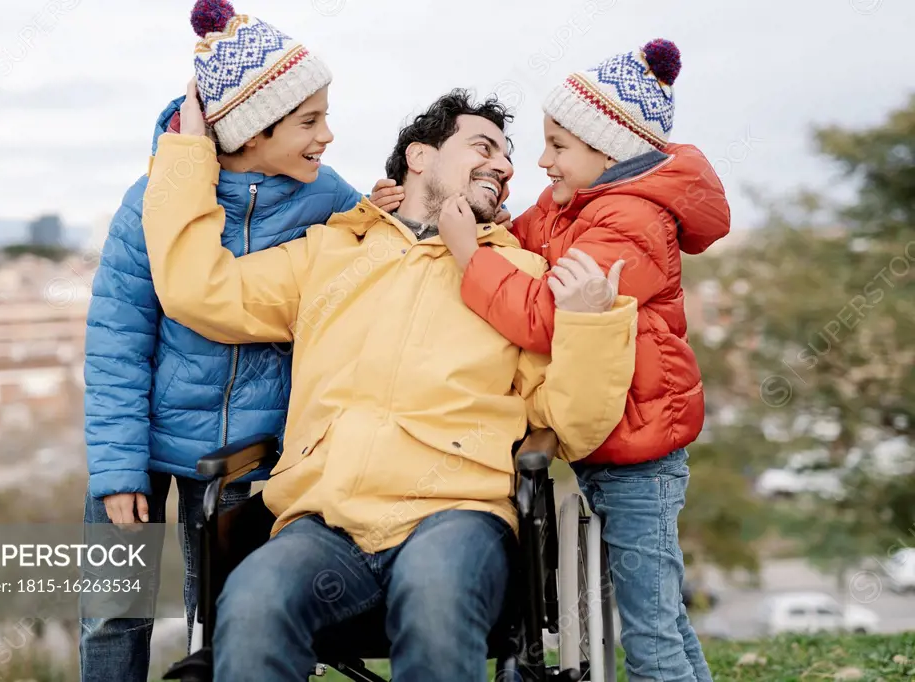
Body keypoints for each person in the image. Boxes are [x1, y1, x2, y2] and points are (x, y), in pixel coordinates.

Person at [140, 86, 638, 681]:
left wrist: (589, 324)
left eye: (508, 158)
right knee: (252, 603)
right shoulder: (329, 252)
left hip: (458, 514)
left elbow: (574, 426)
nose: (506, 167)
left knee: (434, 597)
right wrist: (188, 151)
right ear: (420, 157)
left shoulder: (520, 275)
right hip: (324, 520)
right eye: (484, 146)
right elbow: (198, 289)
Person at [375, 39, 731, 682]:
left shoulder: (632, 222)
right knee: (662, 618)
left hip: (642, 455)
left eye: (558, 146)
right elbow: (520, 239)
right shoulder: (580, 205)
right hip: (618, 444)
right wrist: (422, 210)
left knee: (649, 632)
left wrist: (466, 255)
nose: (541, 162)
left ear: (610, 151)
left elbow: (544, 318)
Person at [79, 1, 362, 680]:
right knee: (113, 613)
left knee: (221, 615)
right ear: (252, 131)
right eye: (309, 120)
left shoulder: (327, 198)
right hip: (139, 443)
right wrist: (117, 469)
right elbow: (116, 342)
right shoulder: (149, 202)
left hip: (247, 456)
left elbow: (381, 251)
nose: (327, 134)